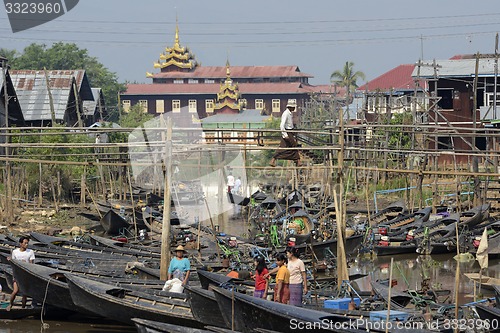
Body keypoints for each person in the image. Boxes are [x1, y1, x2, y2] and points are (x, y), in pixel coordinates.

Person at [269, 101, 300, 167]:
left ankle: (297, 160)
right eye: (293, 107)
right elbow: (282, 125)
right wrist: (285, 135)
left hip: (290, 132)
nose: (294, 108)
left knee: (287, 147)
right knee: (294, 145)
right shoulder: (285, 114)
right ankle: (298, 161)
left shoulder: (290, 113)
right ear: (290, 107)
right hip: (287, 132)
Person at [8, 236, 35, 311]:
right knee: (15, 291)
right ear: (21, 244)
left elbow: (32, 265)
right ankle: (10, 304)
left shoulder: (30, 252)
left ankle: (23, 308)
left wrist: (25, 264)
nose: (27, 244)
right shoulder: (15, 252)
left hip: (25, 275)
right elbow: (13, 263)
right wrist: (10, 260)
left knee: (24, 293)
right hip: (17, 274)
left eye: (27, 243)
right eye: (25, 243)